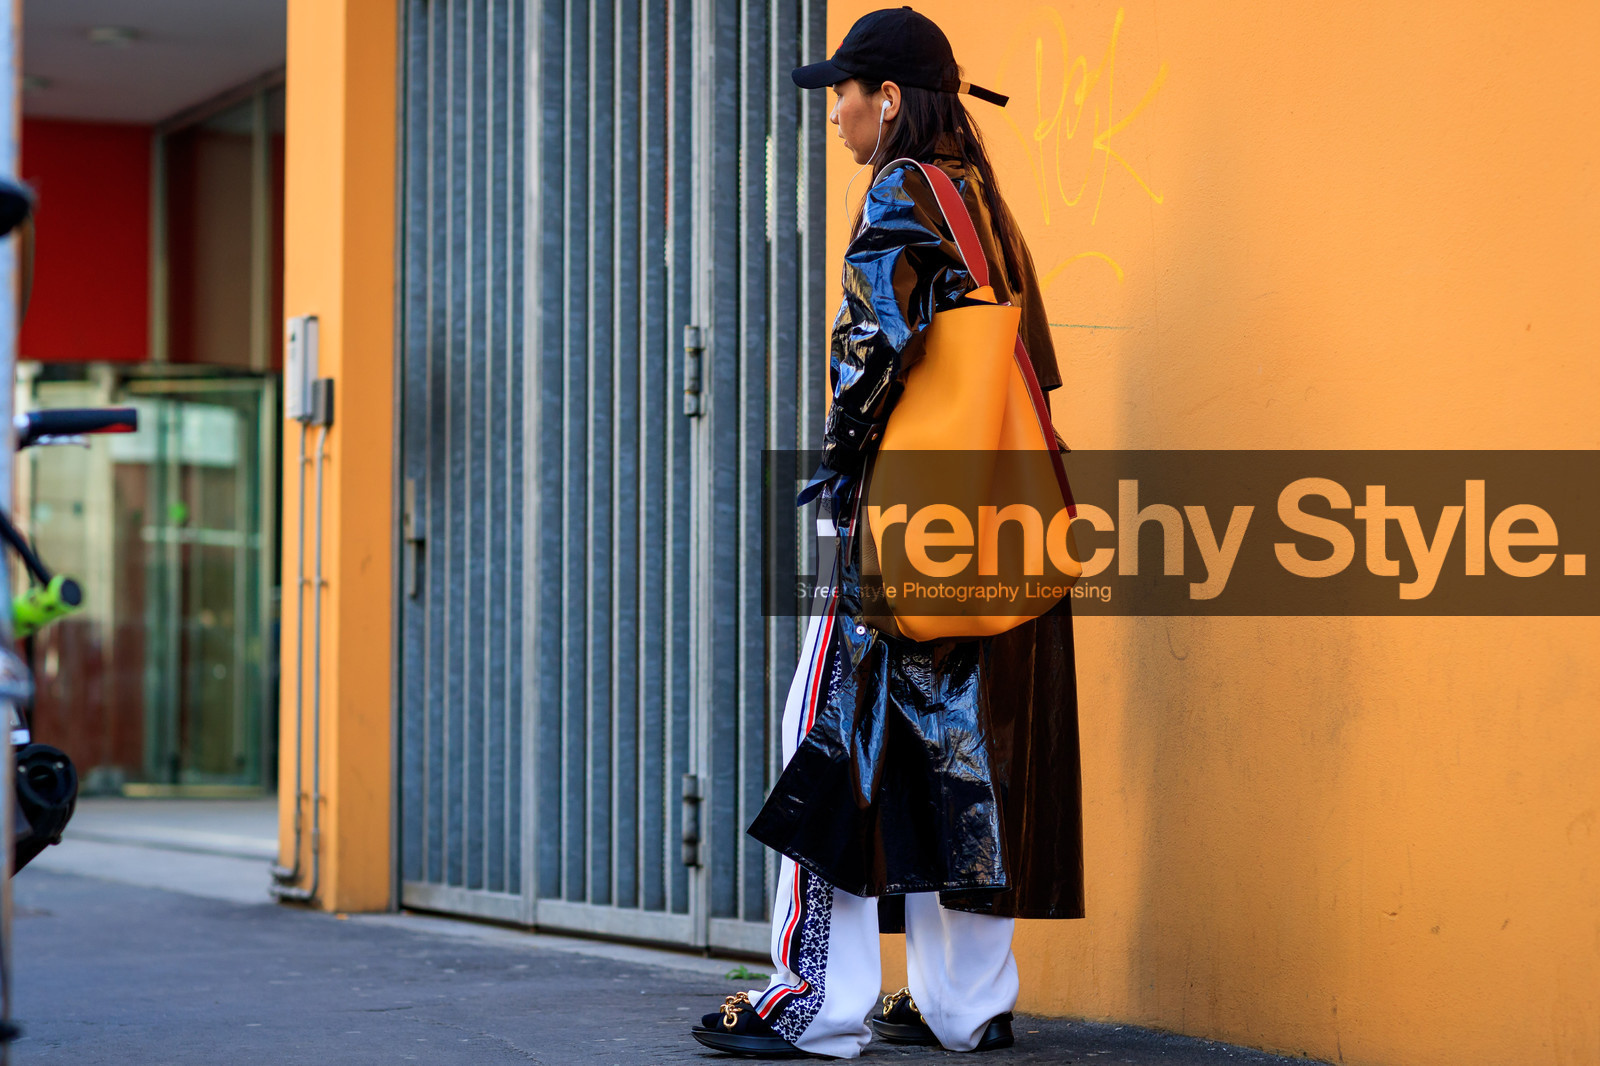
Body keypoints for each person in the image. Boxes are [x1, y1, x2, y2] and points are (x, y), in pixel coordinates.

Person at [691, 7, 1085, 1059]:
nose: (834, 114)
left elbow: (873, 340)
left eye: (844, 92)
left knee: (825, 736)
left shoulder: (904, 190)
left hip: (901, 519)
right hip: (993, 520)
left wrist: (840, 462)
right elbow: (1035, 367)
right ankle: (968, 1004)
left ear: (892, 99)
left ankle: (811, 1000)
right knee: (965, 748)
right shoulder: (984, 205)